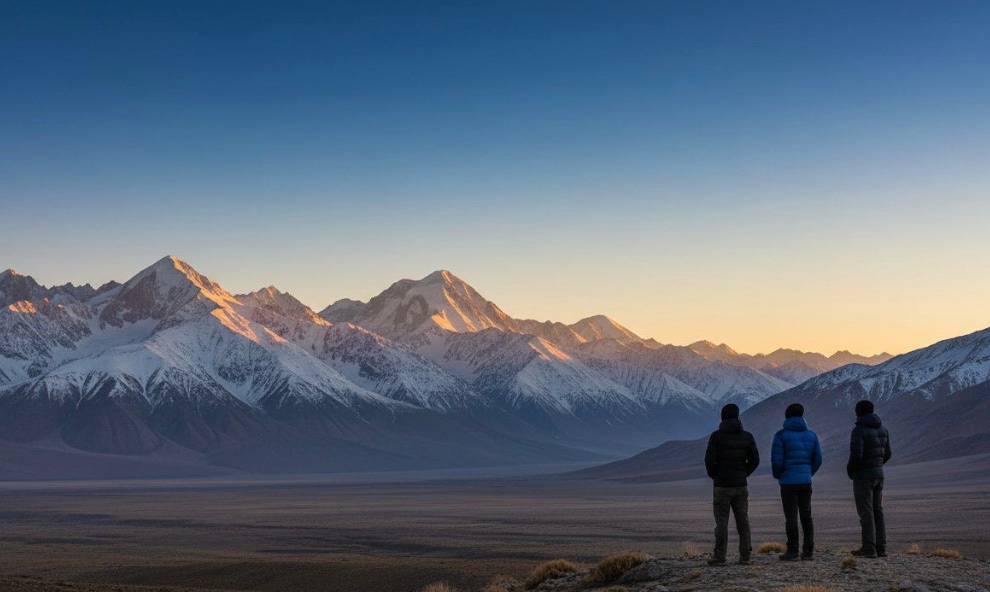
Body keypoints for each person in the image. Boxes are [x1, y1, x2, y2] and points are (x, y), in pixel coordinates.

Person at [704, 403, 760, 565]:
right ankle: (745, 556)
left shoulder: (716, 436)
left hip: (721, 486)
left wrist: (715, 475)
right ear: (737, 417)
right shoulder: (747, 436)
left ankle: (720, 556)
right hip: (741, 485)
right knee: (743, 520)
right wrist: (744, 473)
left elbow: (709, 460)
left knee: (721, 522)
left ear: (722, 417)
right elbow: (755, 459)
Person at [771, 402, 823, 561]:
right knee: (806, 515)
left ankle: (792, 550)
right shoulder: (812, 435)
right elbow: (818, 459)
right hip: (806, 481)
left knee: (791, 516)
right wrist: (808, 473)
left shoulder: (781, 435)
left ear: (787, 416)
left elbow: (776, 461)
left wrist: (779, 475)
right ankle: (808, 550)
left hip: (788, 482)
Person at [847, 399, 892, 559]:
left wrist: (851, 471)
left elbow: (856, 455)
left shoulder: (859, 430)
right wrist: (877, 465)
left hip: (863, 476)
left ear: (858, 413)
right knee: (877, 510)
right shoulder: (883, 429)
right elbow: (887, 454)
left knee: (866, 511)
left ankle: (868, 547)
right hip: (879, 475)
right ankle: (881, 547)